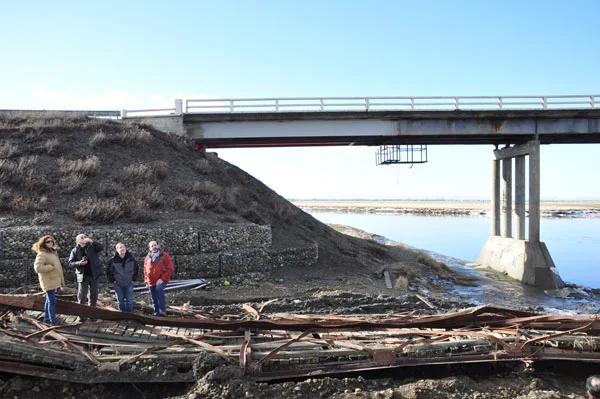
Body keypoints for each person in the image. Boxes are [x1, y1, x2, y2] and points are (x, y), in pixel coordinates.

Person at [68, 233, 104, 322]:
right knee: (82, 296)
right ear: (77, 241)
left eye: (85, 237)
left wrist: (92, 241)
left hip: (94, 275)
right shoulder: (75, 250)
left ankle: (92, 314)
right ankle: (81, 315)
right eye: (81, 237)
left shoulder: (92, 246)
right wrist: (79, 263)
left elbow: (101, 248)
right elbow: (70, 263)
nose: (84, 238)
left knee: (94, 295)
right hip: (82, 275)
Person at [32, 235, 65, 326]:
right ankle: (53, 321)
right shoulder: (42, 254)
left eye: (51, 241)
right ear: (43, 244)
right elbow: (37, 268)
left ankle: (47, 317)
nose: (50, 243)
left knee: (49, 300)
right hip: (48, 281)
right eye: (48, 242)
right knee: (52, 301)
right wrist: (50, 267)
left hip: (53, 280)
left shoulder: (52, 253)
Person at [106, 242, 139, 312]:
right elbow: (109, 271)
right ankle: (122, 316)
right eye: (120, 247)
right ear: (117, 250)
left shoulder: (131, 259)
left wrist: (133, 279)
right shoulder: (113, 261)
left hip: (129, 283)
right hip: (118, 284)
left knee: (129, 301)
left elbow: (136, 269)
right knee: (120, 301)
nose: (122, 249)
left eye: (123, 247)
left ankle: (130, 316)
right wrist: (113, 280)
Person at [144, 240, 174, 316]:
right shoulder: (147, 258)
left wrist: (162, 279)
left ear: (158, 246)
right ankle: (156, 312)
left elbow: (170, 269)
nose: (154, 247)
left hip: (161, 279)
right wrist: (146, 281)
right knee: (153, 297)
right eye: (152, 246)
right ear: (149, 248)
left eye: (155, 245)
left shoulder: (164, 256)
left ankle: (162, 310)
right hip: (151, 281)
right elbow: (145, 270)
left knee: (159, 289)